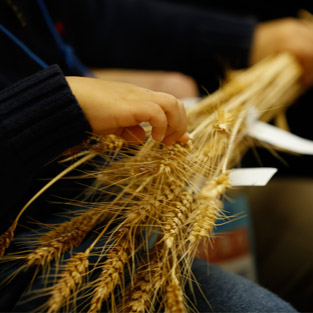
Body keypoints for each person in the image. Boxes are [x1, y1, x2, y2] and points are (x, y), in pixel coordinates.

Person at [0, 0, 304, 312]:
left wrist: (249, 38)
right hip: (27, 243)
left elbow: (93, 18)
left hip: (111, 192)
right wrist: (46, 107)